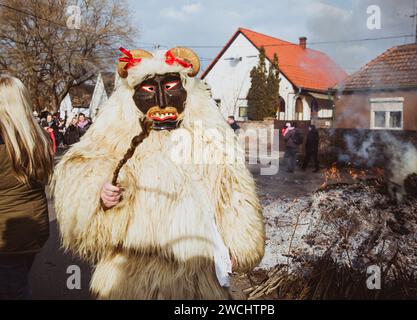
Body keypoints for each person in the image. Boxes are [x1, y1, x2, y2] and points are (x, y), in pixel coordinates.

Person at [52, 47, 265, 299]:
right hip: (132, 271)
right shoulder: (113, 134)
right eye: (150, 91)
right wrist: (100, 194)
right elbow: (82, 169)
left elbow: (232, 190)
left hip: (197, 270)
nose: (162, 102)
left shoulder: (208, 136)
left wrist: (239, 243)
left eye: (171, 88)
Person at [0, 75, 54, 299]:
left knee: (14, 290)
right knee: (18, 279)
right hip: (34, 226)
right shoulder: (38, 137)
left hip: (6, 233)